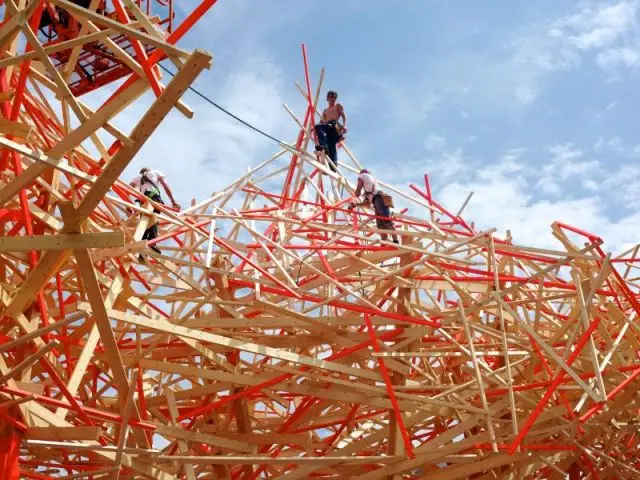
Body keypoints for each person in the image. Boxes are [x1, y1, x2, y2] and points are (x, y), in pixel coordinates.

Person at [129, 167, 180, 254]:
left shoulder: (137, 177)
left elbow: (128, 189)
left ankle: (141, 250)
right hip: (153, 197)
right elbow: (165, 186)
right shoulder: (155, 172)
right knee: (154, 219)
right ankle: (152, 243)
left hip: (143, 201)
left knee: (144, 223)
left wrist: (128, 204)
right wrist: (173, 201)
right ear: (148, 170)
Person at [350, 169, 399, 244]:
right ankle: (385, 243)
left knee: (386, 221)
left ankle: (395, 241)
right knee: (381, 224)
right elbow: (367, 204)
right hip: (378, 201)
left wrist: (353, 198)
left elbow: (358, 191)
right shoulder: (370, 186)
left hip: (379, 199)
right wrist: (356, 205)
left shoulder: (362, 176)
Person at [314, 90, 347, 172]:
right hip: (328, 129)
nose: (333, 99)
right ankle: (332, 165)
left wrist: (345, 126)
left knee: (329, 144)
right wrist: (314, 129)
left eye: (334, 97)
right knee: (331, 146)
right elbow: (321, 123)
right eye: (331, 97)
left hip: (334, 126)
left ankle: (323, 146)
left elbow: (344, 116)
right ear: (327, 98)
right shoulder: (325, 111)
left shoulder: (338, 106)